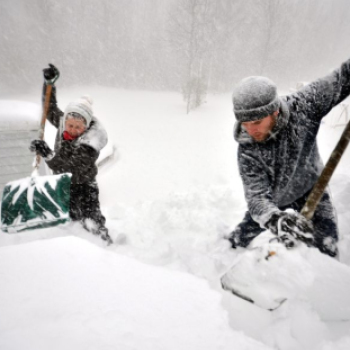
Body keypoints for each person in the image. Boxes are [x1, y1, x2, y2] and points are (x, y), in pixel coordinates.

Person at [229, 58, 350, 258]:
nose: (250, 130)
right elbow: (257, 197)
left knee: (327, 246)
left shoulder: (305, 107)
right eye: (244, 123)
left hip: (312, 189)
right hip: (272, 199)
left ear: (274, 111)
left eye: (257, 122)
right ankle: (225, 254)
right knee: (238, 240)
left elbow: (341, 78)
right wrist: (276, 219)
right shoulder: (247, 150)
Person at [30, 64, 113, 244]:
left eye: (78, 127)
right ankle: (77, 251)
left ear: (86, 126)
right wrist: (49, 84)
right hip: (65, 185)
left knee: (92, 221)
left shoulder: (90, 142)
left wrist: (47, 153)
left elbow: (67, 167)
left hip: (84, 186)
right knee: (71, 222)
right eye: (70, 125)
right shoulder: (64, 121)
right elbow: (49, 109)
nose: (73, 130)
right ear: (65, 120)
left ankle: (106, 247)